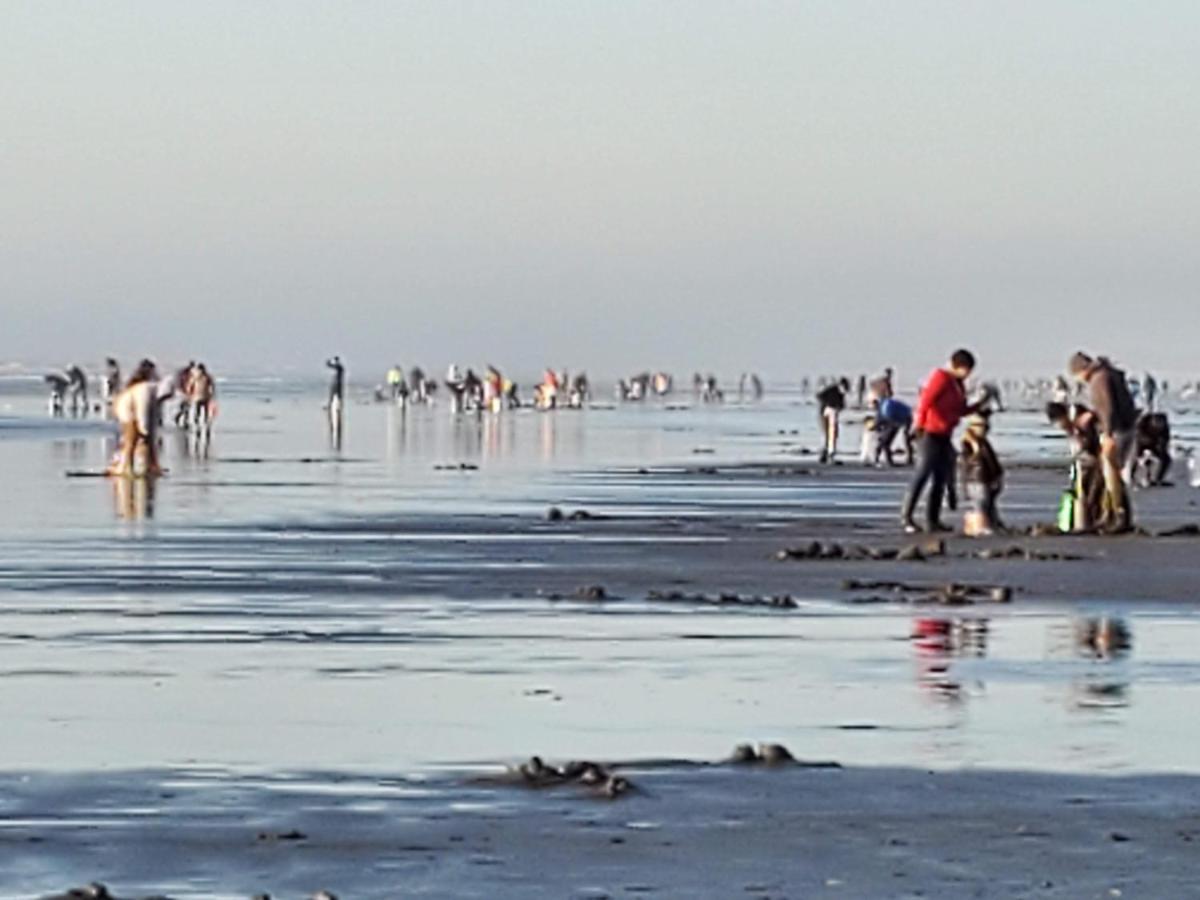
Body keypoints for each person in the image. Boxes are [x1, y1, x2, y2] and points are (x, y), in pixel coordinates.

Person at [901, 350, 980, 534]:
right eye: (965, 370)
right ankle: (907, 517)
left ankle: (932, 520)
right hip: (930, 433)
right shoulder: (941, 378)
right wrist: (919, 425)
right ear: (956, 366)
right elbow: (925, 401)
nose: (967, 374)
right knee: (923, 473)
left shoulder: (958, 385)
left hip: (945, 435)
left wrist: (980, 404)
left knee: (941, 478)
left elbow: (960, 410)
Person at [1069, 353, 1138, 533]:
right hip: (1126, 426)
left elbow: (1107, 408)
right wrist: (1092, 414)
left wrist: (1107, 434)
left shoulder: (1099, 379)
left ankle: (1118, 516)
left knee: (1111, 473)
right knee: (1110, 473)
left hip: (1118, 430)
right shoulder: (1108, 373)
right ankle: (1110, 514)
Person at [1047, 401, 1104, 533]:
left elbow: (1090, 436)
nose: (1062, 427)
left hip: (1095, 456)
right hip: (1084, 459)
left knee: (1092, 490)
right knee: (1082, 490)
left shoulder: (1079, 415)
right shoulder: (1073, 420)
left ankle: (1090, 520)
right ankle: (1086, 520)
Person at [960, 412, 1004, 534]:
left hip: (986, 478)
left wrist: (998, 474)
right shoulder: (969, 444)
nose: (985, 430)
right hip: (975, 480)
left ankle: (992, 522)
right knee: (980, 503)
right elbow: (968, 463)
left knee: (989, 503)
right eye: (982, 427)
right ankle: (979, 525)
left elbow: (992, 461)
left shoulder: (984, 443)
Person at [816, 378, 850, 464]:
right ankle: (829, 454)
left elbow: (820, 396)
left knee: (829, 434)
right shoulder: (833, 390)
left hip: (827, 411)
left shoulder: (838, 392)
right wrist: (830, 404)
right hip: (830, 411)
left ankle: (825, 454)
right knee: (832, 433)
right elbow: (820, 396)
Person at [1134, 411, 1171, 486]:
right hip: (1141, 444)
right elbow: (1137, 436)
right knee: (1139, 459)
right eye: (1157, 422)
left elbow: (1166, 439)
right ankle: (1134, 477)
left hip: (1155, 444)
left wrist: (1161, 447)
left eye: (1161, 423)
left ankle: (1158, 478)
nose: (1159, 425)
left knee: (1166, 459)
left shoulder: (1164, 428)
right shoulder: (1143, 422)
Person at [875, 396, 914, 466]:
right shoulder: (885, 405)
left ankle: (885, 460)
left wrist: (879, 431)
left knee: (885, 441)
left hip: (899, 418)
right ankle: (909, 458)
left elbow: (879, 422)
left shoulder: (884, 409)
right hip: (902, 417)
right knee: (905, 438)